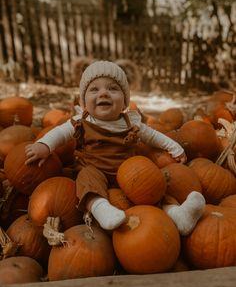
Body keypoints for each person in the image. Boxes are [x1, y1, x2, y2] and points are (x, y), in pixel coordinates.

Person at [25, 60, 205, 235]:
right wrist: (44, 145)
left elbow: (153, 136)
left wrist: (174, 147)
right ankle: (100, 208)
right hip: (95, 169)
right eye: (94, 89)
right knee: (86, 178)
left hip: (129, 174)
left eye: (113, 88)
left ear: (124, 100)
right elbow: (60, 133)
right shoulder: (82, 122)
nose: (103, 93)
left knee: (151, 187)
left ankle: (177, 214)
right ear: (84, 101)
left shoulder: (130, 122)